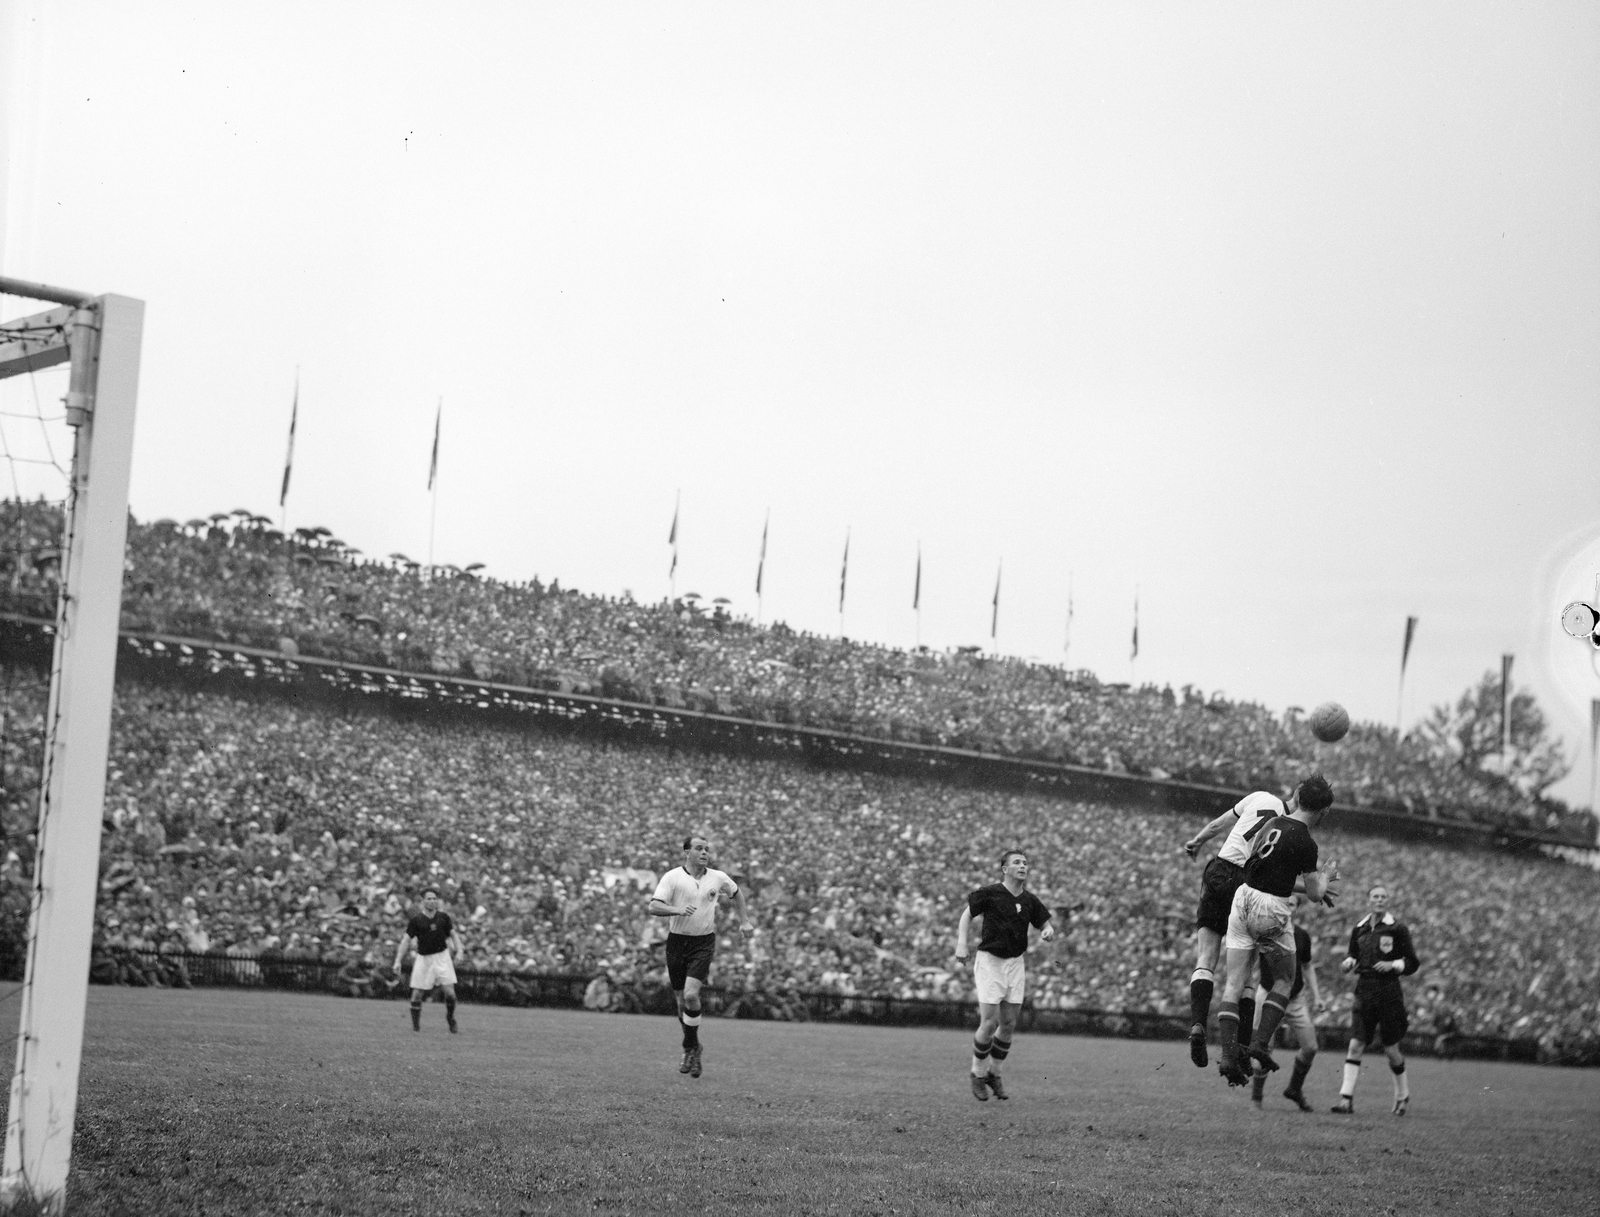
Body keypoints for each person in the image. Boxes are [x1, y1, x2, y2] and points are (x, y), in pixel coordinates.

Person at [1213, 775, 1338, 1086]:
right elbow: (1313, 893)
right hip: (1271, 908)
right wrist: (1326, 876)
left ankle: (1229, 1055)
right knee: (1284, 978)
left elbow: (1262, 867)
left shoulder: (1272, 823)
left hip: (1243, 897)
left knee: (1234, 983)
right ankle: (1259, 1044)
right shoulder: (1307, 842)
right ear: (1323, 811)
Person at [1182, 788, 1294, 1067]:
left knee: (1205, 959)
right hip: (1247, 884)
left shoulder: (1260, 797)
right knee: (1243, 974)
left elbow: (1218, 825)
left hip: (1219, 869)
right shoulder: (1290, 828)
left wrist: (1197, 841)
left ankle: (1197, 1025)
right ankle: (1240, 1048)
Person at [647, 834, 753, 1078]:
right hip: (676, 942)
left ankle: (688, 1048)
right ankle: (694, 1047)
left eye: (707, 849)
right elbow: (654, 906)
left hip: (703, 943)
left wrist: (744, 920)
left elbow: (736, 894)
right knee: (681, 1002)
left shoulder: (718, 877)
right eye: (699, 848)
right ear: (687, 852)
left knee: (691, 994)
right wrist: (676, 909)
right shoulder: (672, 877)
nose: (705, 852)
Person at [954, 849, 1055, 1102]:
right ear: (1005, 869)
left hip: (1015, 963)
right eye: (1017, 863)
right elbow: (967, 914)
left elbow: (1044, 922)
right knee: (989, 1023)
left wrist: (1048, 930)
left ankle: (994, 1073)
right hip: (990, 961)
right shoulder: (990, 892)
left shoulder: (1030, 900)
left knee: (1008, 1024)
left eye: (1025, 863)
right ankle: (977, 1074)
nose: (1023, 866)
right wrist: (961, 944)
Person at [1332, 883, 1421, 1115]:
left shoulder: (1397, 929)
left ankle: (1402, 1097)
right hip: (1364, 990)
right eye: (1375, 896)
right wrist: (1349, 962)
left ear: (1387, 901)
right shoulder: (1359, 929)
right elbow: (1353, 954)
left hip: (1389, 992)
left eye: (1383, 897)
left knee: (1391, 1049)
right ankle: (1345, 1100)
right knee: (1355, 1045)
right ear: (1368, 900)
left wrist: (1394, 964)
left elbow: (1413, 962)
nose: (1379, 900)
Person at [1248, 896, 1324, 1111]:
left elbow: (1307, 966)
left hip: (1295, 998)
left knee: (1310, 1047)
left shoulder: (1302, 936)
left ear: (1296, 909)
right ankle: (1256, 1099)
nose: (1287, 907)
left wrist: (1317, 996)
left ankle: (1294, 1089)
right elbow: (1251, 959)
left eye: (1291, 905)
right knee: (1264, 1049)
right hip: (1268, 996)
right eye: (1284, 903)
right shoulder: (1265, 932)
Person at [392, 887, 463, 1033]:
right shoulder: (416, 920)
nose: (432, 901)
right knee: (417, 993)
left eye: (434, 898)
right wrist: (398, 960)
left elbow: (454, 935)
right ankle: (416, 1027)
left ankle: (450, 1018)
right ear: (423, 901)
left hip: (442, 957)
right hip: (423, 958)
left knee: (450, 994)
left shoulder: (443, 917)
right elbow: (406, 941)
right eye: (429, 898)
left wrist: (460, 951)